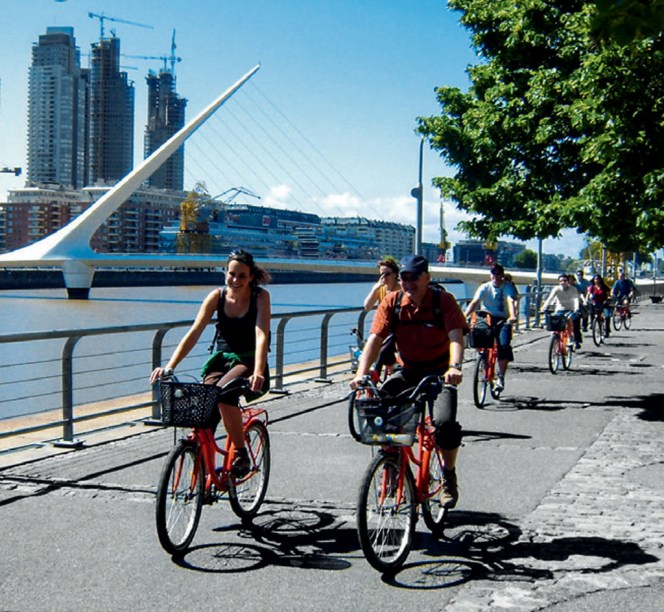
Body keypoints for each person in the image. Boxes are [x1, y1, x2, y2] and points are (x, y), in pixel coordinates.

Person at [350, 254, 468, 509]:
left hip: (439, 371)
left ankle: (448, 474)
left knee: (445, 425)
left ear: (427, 278)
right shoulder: (392, 302)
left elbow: (456, 336)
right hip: (409, 369)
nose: (408, 282)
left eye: (414, 277)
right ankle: (391, 464)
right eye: (404, 277)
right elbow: (375, 339)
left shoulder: (443, 301)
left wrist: (454, 367)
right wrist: (362, 372)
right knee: (382, 407)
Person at [150, 249, 271, 478]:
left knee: (224, 395)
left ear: (251, 277)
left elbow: (261, 333)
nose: (235, 280)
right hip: (222, 359)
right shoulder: (217, 296)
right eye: (231, 274)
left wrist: (257, 371)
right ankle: (203, 469)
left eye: (241, 276)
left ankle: (241, 454)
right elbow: (195, 331)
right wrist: (170, 366)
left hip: (248, 358)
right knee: (204, 408)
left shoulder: (260, 297)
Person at [464, 263, 517, 392]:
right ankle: (481, 358)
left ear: (502, 275)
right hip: (486, 317)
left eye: (499, 274)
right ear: (490, 275)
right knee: (476, 334)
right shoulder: (485, 287)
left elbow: (511, 301)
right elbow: (475, 302)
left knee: (503, 346)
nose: (496, 277)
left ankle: (500, 377)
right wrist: (465, 315)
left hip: (503, 318)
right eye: (494, 274)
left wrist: (513, 316)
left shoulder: (507, 287)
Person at [362, 257, 400, 376]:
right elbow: (367, 306)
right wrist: (375, 289)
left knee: (384, 352)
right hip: (383, 326)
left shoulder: (401, 289)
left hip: (398, 328)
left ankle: (388, 370)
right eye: (381, 274)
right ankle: (374, 377)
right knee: (373, 350)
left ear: (395, 274)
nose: (384, 277)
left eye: (387, 274)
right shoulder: (380, 288)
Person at [540, 273, 583, 349]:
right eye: (561, 281)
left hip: (570, 309)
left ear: (567, 281)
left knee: (569, 319)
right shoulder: (556, 289)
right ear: (559, 282)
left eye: (565, 280)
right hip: (559, 309)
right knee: (553, 320)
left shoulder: (573, 289)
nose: (563, 282)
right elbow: (550, 298)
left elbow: (576, 299)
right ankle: (554, 337)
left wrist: (576, 308)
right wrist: (544, 307)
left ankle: (570, 338)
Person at [587, 273, 612, 337]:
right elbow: (588, 294)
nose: (597, 280)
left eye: (598, 279)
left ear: (600, 280)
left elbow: (609, 294)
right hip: (595, 303)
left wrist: (609, 298)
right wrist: (586, 300)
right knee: (592, 312)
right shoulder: (592, 287)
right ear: (594, 280)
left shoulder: (604, 287)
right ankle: (593, 325)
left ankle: (607, 330)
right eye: (595, 279)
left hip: (604, 303)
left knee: (607, 316)